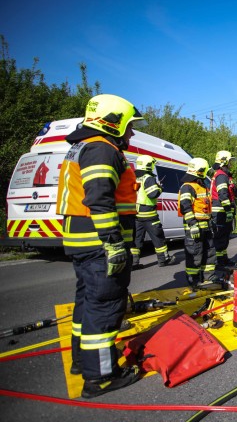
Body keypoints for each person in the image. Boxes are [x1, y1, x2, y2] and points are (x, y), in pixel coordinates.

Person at [56, 94, 143, 398]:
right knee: (106, 306)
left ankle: (82, 361)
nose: (131, 133)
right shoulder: (101, 150)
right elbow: (99, 200)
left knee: (88, 303)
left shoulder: (81, 147)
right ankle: (102, 376)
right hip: (98, 244)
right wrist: (114, 244)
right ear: (113, 122)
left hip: (81, 241)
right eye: (129, 126)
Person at [130, 155, 173, 269]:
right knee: (158, 237)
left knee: (136, 239)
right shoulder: (148, 177)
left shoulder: (135, 177)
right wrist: (159, 188)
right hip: (148, 214)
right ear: (149, 165)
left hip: (137, 214)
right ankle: (163, 259)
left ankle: (134, 262)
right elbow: (153, 194)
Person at [179, 157, 216, 286]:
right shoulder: (187, 187)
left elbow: (205, 207)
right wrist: (192, 224)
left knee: (209, 253)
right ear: (200, 171)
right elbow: (185, 206)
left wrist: (211, 223)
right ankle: (193, 282)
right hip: (194, 228)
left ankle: (208, 278)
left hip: (206, 227)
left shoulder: (201, 186)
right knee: (195, 256)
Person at [210, 150, 237, 267]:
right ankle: (218, 262)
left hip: (223, 211)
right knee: (220, 237)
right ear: (224, 161)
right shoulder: (221, 175)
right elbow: (223, 195)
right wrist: (227, 211)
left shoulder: (224, 175)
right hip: (220, 211)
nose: (231, 164)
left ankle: (223, 259)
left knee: (225, 237)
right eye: (230, 161)